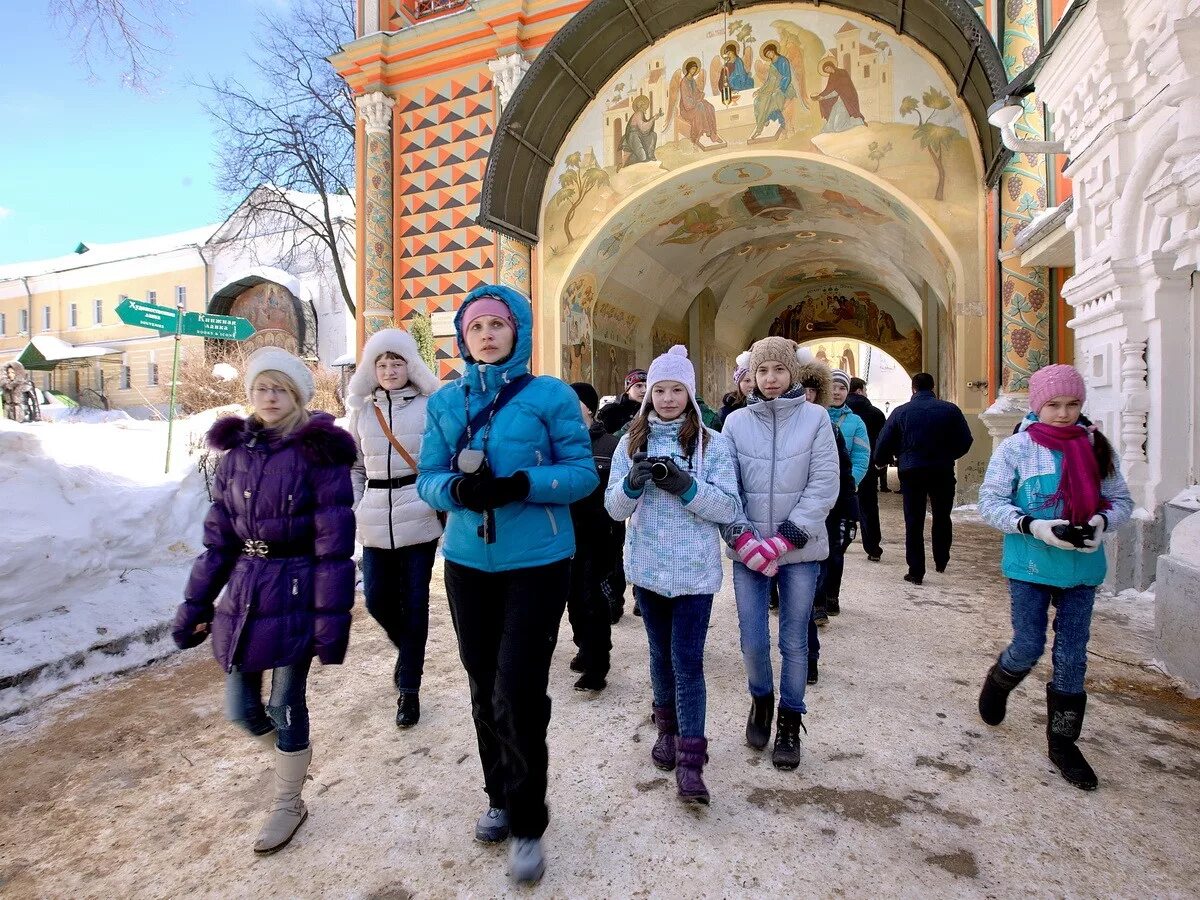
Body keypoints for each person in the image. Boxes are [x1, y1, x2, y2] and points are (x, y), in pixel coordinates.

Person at [417, 285, 597, 884]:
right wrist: (457, 492)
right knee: (481, 682)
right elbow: (429, 478)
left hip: (538, 561)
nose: (487, 335)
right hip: (469, 563)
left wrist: (524, 484)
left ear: (517, 330)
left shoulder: (550, 396)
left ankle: (527, 820)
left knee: (517, 688)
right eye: (476, 328)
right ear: (463, 338)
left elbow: (579, 474)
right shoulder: (448, 402)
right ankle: (498, 793)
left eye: (498, 324)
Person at [172, 347, 356, 855]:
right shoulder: (234, 456)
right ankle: (293, 756)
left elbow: (334, 545)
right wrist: (195, 606)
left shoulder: (319, 452)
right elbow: (219, 541)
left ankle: (289, 800)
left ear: (295, 394)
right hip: (247, 591)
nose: (269, 397)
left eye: (278, 388)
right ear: (249, 395)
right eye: (260, 388)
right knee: (241, 710)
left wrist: (331, 619)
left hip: (296, 586)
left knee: (285, 701)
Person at [976, 365, 1132, 790]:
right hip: (1030, 565)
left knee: (1072, 653)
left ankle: (1063, 741)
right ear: (1037, 405)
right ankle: (1001, 679)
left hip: (1082, 568)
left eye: (1072, 404)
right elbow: (989, 502)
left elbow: (1120, 500)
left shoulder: (1098, 447)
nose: (1063, 413)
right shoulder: (1017, 449)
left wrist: (1101, 521)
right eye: (1054, 405)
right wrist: (1034, 525)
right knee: (1029, 643)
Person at [605, 345, 741, 804]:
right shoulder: (630, 442)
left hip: (694, 573)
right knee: (660, 657)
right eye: (659, 390)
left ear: (690, 393)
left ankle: (691, 759)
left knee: (688, 663)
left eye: (676, 390)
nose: (666, 398)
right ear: (647, 395)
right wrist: (632, 483)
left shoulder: (712, 444)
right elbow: (613, 508)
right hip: (647, 568)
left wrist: (685, 486)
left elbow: (728, 507)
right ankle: (666, 730)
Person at [721, 338, 839, 770]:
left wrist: (786, 536)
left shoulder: (816, 419)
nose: (769, 379)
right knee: (753, 639)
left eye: (778, 370)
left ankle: (791, 719)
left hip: (800, 550)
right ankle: (761, 702)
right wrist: (746, 539)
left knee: (794, 639)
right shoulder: (735, 423)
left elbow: (824, 483)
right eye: (761, 371)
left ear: (793, 373)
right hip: (748, 551)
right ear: (750, 376)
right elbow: (726, 485)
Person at [346, 328, 443, 729]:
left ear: (411, 366)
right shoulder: (362, 413)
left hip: (418, 516)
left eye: (397, 362)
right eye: (381, 364)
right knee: (377, 600)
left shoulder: (428, 408)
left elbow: (442, 459)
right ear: (372, 369)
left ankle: (409, 688)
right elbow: (352, 466)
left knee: (416, 603)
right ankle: (408, 653)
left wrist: (433, 498)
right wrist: (356, 505)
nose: (389, 370)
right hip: (374, 518)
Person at [874, 372, 974, 585]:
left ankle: (916, 571)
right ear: (933, 387)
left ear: (913, 389)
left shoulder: (901, 412)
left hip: (911, 472)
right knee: (942, 516)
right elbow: (966, 440)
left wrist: (882, 460)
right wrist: (949, 456)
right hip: (942, 470)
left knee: (914, 520)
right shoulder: (950, 410)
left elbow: (885, 440)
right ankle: (941, 559)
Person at [566, 381, 619, 692]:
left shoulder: (610, 446)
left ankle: (597, 665)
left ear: (586, 407)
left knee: (591, 597)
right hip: (563, 533)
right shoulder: (558, 445)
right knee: (573, 598)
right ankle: (584, 647)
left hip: (598, 533)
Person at [813, 369, 870, 621]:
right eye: (833, 387)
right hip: (816, 492)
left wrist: (850, 483)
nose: (837, 392)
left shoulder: (855, 422)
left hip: (841, 492)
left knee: (837, 546)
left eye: (842, 388)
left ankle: (831, 595)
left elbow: (861, 457)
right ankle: (818, 599)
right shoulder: (815, 416)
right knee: (817, 546)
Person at [846, 377, 886, 559]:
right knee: (869, 506)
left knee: (840, 505)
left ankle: (841, 540)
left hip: (842, 467)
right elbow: (882, 440)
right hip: (867, 467)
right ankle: (873, 548)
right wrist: (881, 460)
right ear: (861, 390)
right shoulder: (876, 413)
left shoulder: (835, 413)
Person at [597, 369, 647, 435]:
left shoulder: (651, 410)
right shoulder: (610, 411)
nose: (644, 390)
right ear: (627, 389)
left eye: (647, 386)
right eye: (638, 386)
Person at [719, 352, 755, 428]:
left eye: (756, 380)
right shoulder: (726, 412)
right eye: (747, 380)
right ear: (739, 383)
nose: (753, 385)